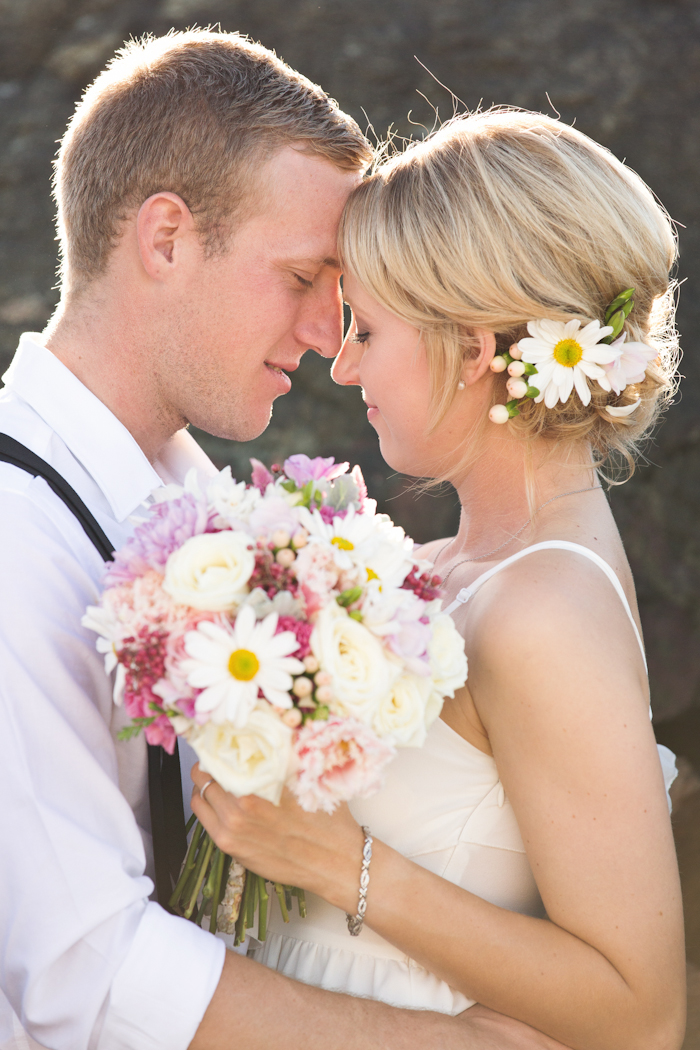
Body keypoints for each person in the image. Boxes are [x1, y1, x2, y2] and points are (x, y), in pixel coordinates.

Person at [0, 28, 570, 1050]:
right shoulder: (13, 544)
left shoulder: (211, 508)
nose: (326, 333)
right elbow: (89, 976)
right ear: (165, 239)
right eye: (303, 276)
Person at [191, 109, 687, 1049]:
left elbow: (642, 1015)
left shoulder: (545, 611)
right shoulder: (445, 566)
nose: (340, 365)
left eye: (367, 331)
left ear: (470, 351)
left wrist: (346, 866)